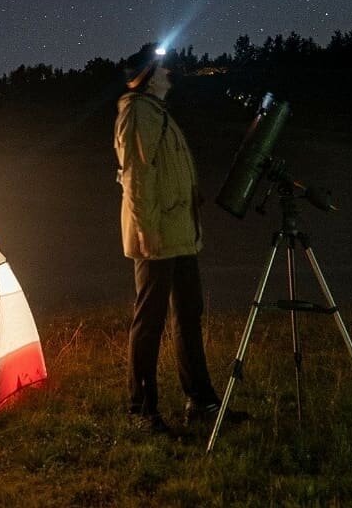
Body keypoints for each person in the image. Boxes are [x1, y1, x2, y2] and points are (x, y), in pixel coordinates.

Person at [114, 43, 223, 434]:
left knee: (188, 315)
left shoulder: (157, 113)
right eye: (161, 69)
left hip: (179, 235)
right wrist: (148, 231)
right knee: (150, 321)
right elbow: (137, 178)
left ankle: (202, 400)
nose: (169, 73)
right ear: (146, 77)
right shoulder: (139, 112)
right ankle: (141, 410)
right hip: (157, 236)